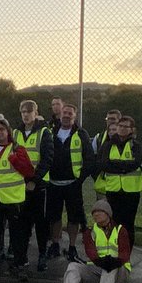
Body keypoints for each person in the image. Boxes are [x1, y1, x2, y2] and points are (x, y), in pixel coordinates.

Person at [50, 199, 131, 283]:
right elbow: (90, 251)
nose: (96, 215)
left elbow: (125, 253)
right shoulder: (90, 232)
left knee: (110, 267)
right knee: (73, 266)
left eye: (99, 212)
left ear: (108, 214)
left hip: (119, 271)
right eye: (94, 213)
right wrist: (100, 261)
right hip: (98, 268)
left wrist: (114, 262)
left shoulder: (120, 230)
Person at [0, 116, 36, 273]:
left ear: (8, 131)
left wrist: (13, 159)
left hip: (13, 199)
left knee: (17, 234)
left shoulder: (17, 149)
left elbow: (29, 171)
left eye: (1, 130)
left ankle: (19, 263)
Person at [45, 103, 95, 263]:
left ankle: (72, 247)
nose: (66, 115)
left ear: (75, 116)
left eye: (70, 113)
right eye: (64, 112)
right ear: (60, 114)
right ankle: (55, 244)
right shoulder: (51, 132)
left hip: (72, 184)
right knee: (54, 216)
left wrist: (79, 179)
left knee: (74, 218)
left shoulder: (81, 134)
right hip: (53, 182)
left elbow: (89, 158)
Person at [12, 100, 54, 270]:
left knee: (41, 223)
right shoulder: (15, 133)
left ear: (36, 113)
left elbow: (47, 159)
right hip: (19, 186)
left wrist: (34, 180)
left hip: (39, 186)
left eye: (29, 111)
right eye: (23, 112)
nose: (26, 114)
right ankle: (22, 258)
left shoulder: (44, 132)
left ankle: (42, 256)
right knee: (22, 223)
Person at [95, 115, 142, 247]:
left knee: (128, 224)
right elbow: (103, 164)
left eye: (125, 127)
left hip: (131, 191)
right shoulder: (108, 145)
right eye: (120, 126)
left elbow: (135, 163)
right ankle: (114, 251)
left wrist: (116, 165)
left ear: (132, 130)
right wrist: (123, 166)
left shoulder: (135, 145)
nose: (121, 129)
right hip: (113, 190)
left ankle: (126, 254)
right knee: (113, 223)